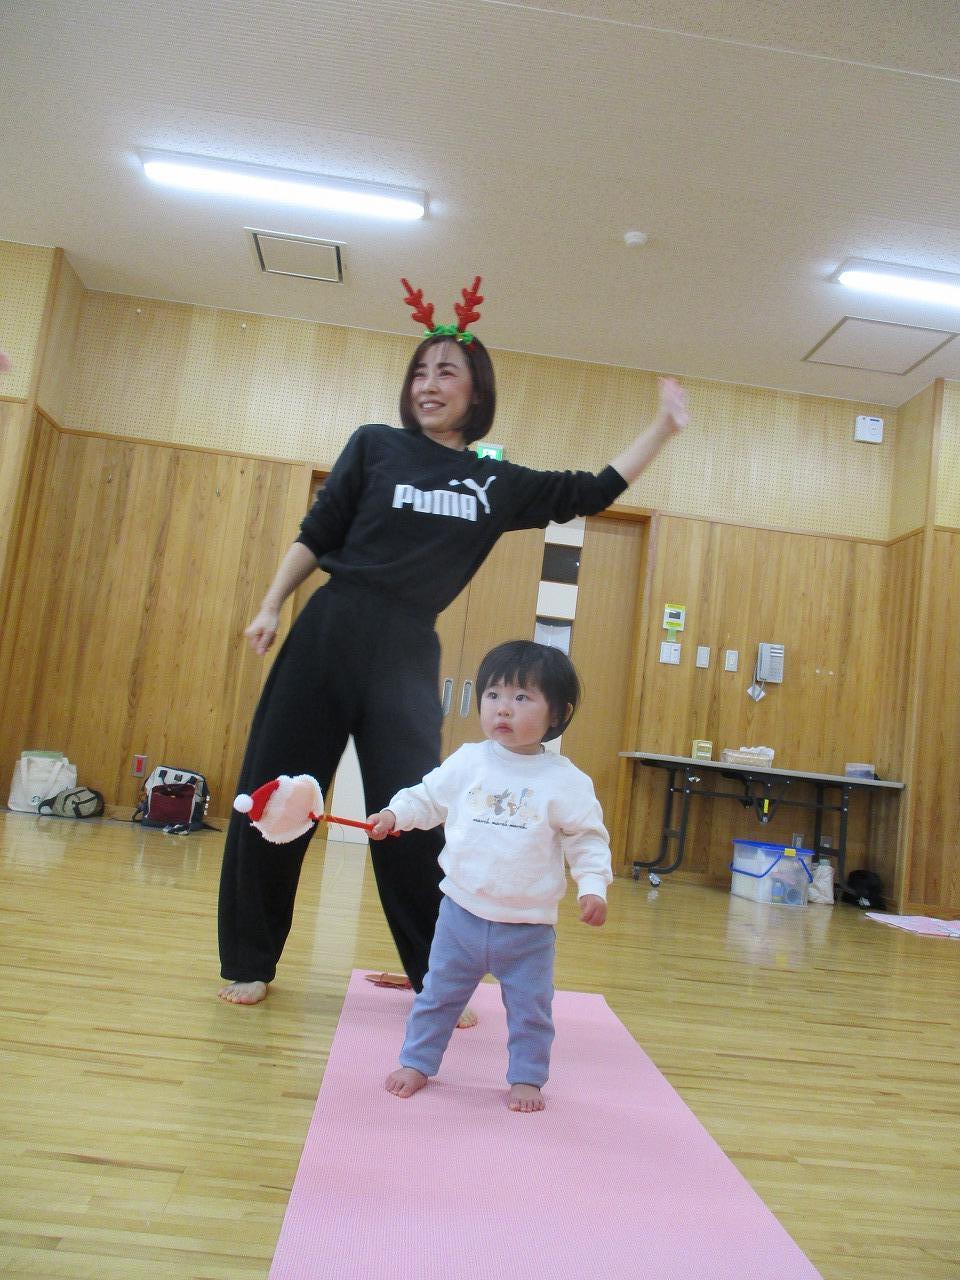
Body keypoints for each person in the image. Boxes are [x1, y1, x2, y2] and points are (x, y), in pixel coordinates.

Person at [217, 275, 688, 1006]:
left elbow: (590, 491)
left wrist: (662, 428)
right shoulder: (374, 445)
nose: (429, 384)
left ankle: (435, 978)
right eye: (420, 372)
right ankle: (249, 960)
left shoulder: (491, 481)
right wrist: (271, 605)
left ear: (476, 393)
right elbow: (318, 532)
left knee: (415, 810)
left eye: (446, 372)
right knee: (274, 793)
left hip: (407, 649)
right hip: (329, 630)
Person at [369, 640, 610, 1112]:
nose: (503, 708)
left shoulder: (566, 781)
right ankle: (417, 1062)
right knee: (437, 997)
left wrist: (593, 887)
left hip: (527, 930)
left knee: (531, 1011)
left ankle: (527, 1078)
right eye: (494, 695)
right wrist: (395, 815)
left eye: (522, 698)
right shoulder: (469, 761)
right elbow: (427, 798)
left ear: (558, 713)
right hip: (460, 915)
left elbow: (587, 839)